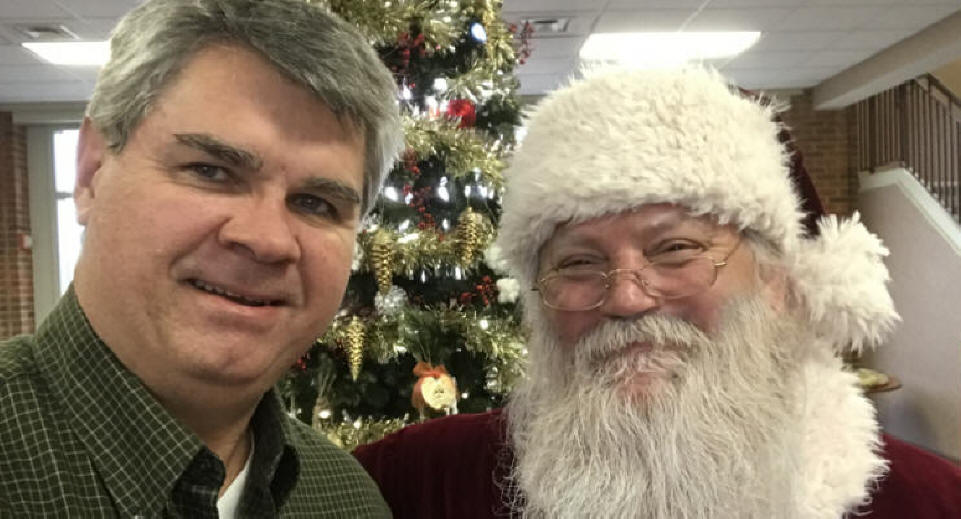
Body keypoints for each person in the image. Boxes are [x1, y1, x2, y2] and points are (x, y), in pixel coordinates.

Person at [353, 68, 961, 518]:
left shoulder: (929, 502)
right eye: (579, 261)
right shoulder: (415, 484)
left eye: (675, 249)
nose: (626, 299)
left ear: (777, 282)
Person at [0, 0, 403, 516]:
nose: (267, 240)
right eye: (211, 171)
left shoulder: (345, 499)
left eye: (316, 203)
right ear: (91, 171)